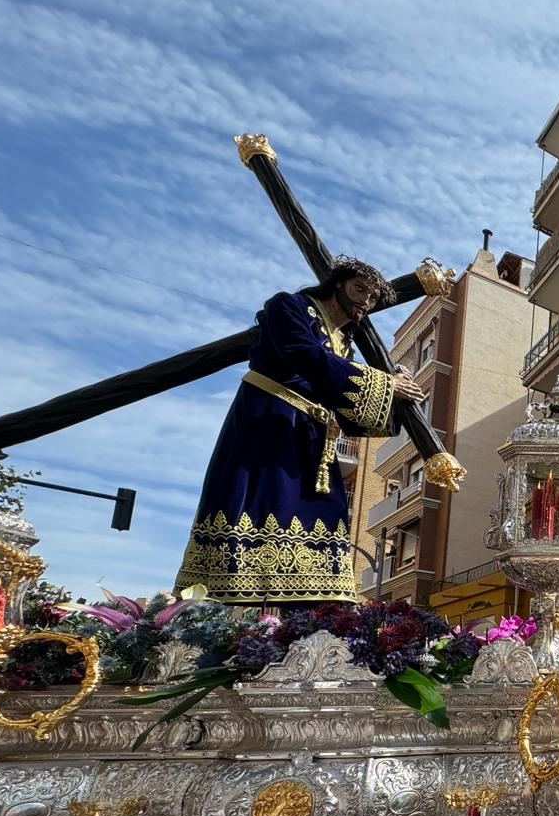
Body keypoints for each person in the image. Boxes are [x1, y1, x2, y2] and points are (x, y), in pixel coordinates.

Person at [176, 258, 427, 604]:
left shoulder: (344, 345)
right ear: (337, 283)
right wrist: (385, 384)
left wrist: (393, 396)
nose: (364, 302)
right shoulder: (290, 307)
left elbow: (350, 411)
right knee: (259, 510)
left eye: (371, 298)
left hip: (313, 443)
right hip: (270, 424)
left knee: (326, 525)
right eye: (359, 289)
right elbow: (307, 357)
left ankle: (307, 626)